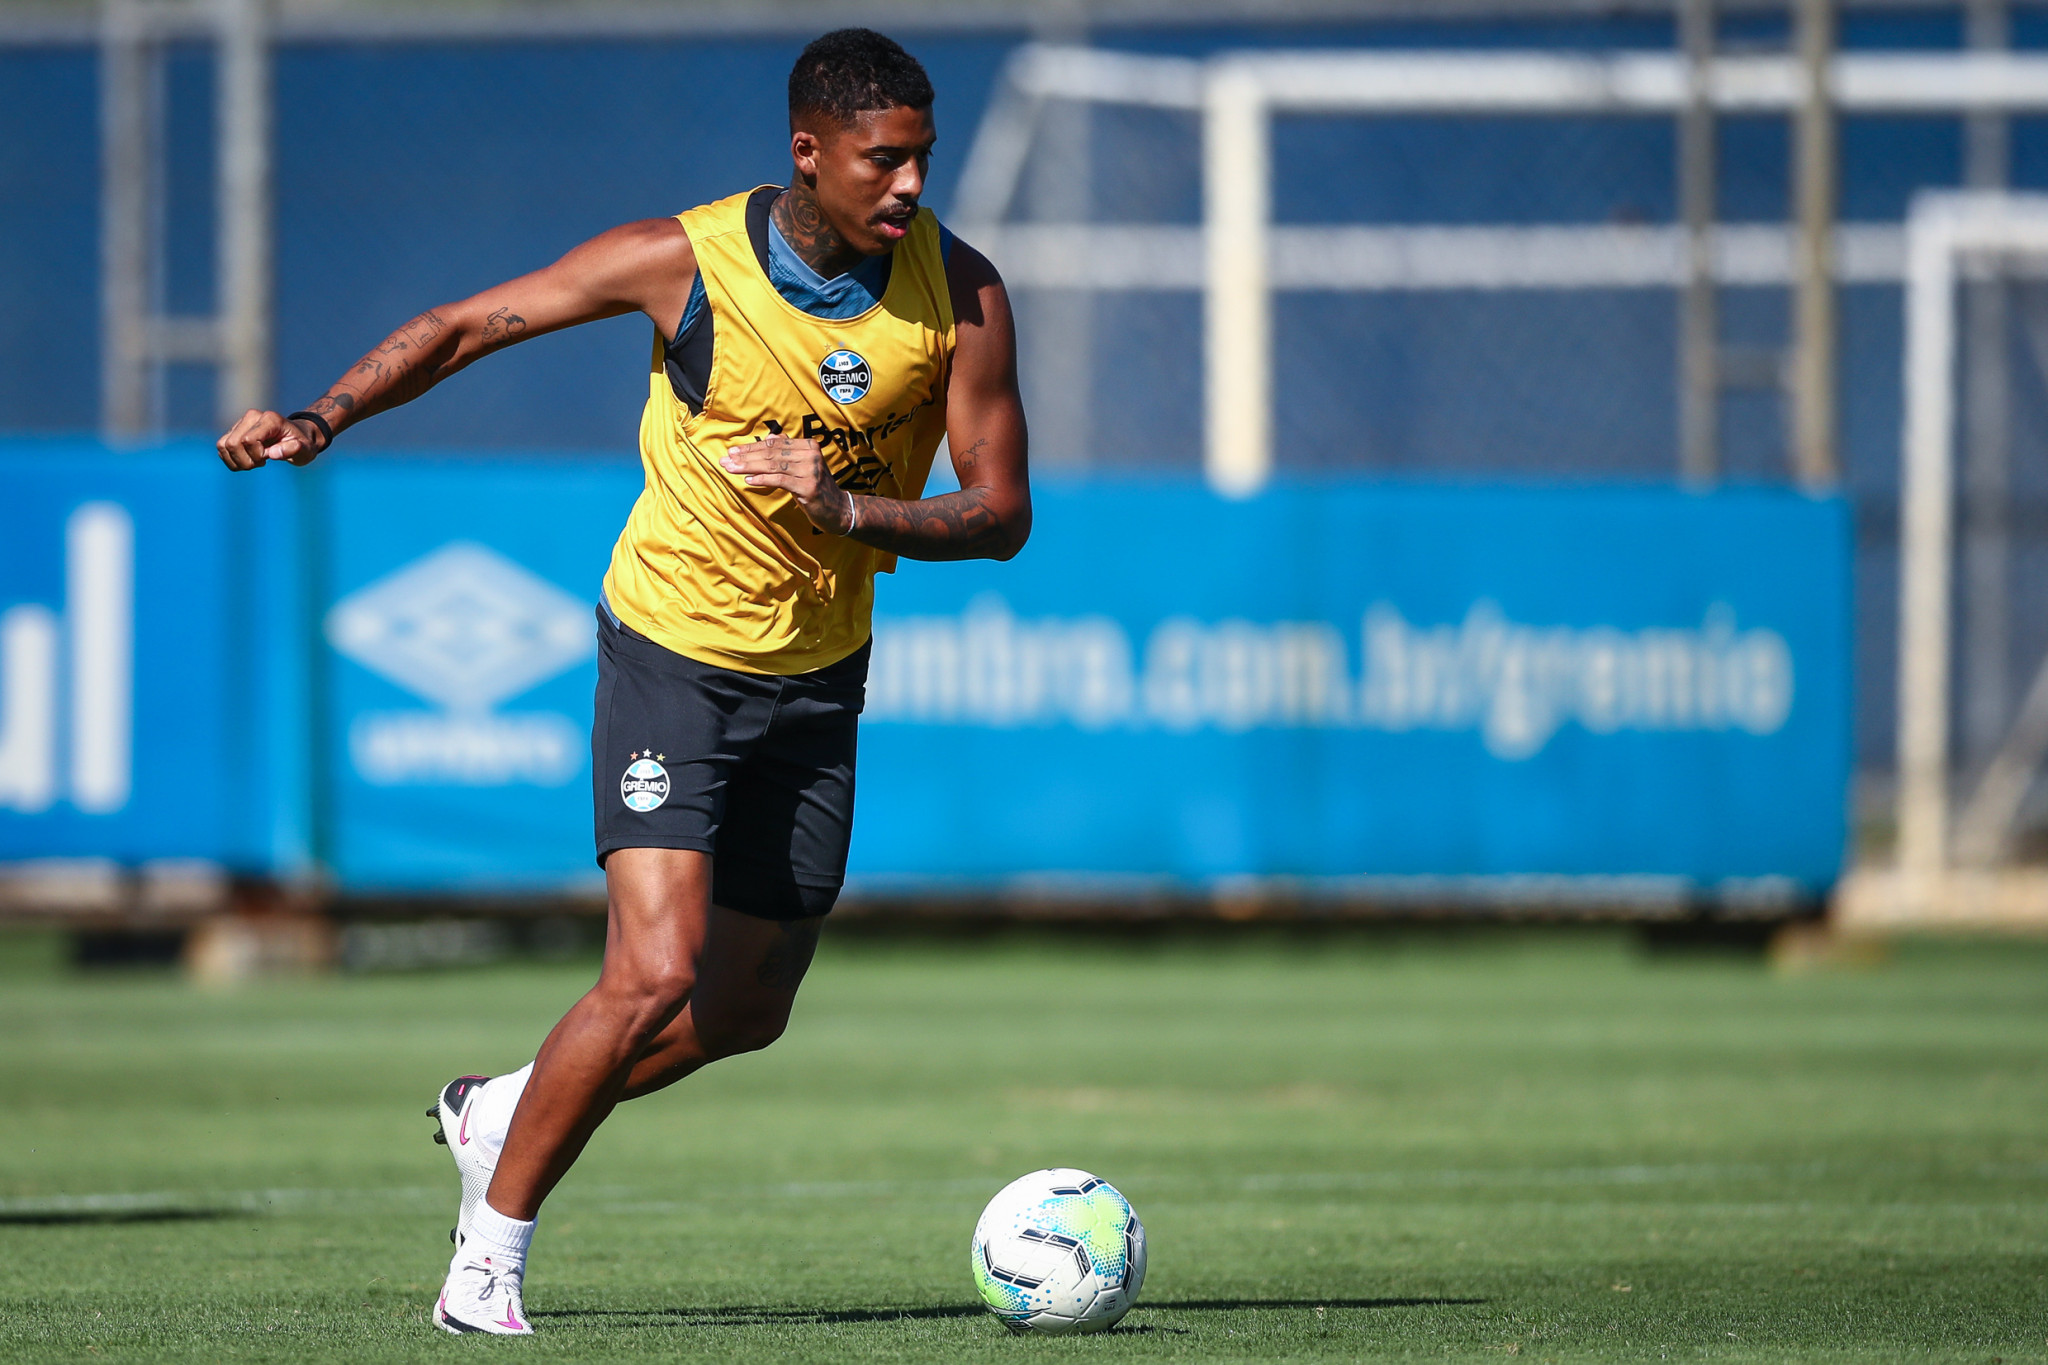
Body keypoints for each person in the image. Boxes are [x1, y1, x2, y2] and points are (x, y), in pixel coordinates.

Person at [214, 28, 1029, 1336]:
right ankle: (485, 1268)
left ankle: (503, 1104)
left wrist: (854, 507)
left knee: (748, 1006)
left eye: (924, 156)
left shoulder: (963, 295)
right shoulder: (685, 262)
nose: (911, 185)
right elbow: (472, 323)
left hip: (820, 676)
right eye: (885, 160)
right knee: (650, 971)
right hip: (675, 658)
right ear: (808, 154)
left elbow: (1001, 512)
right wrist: (326, 414)